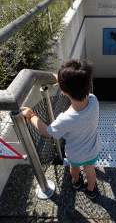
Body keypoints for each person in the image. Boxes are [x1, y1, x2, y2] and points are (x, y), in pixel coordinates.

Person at [22, 59, 102, 199]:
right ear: (89, 86)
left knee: (74, 168)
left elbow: (47, 131)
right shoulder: (94, 100)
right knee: (90, 170)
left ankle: (76, 183)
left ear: (63, 92)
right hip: (93, 148)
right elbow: (81, 88)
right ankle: (91, 191)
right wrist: (68, 83)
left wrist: (31, 115)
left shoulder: (65, 119)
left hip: (75, 154)